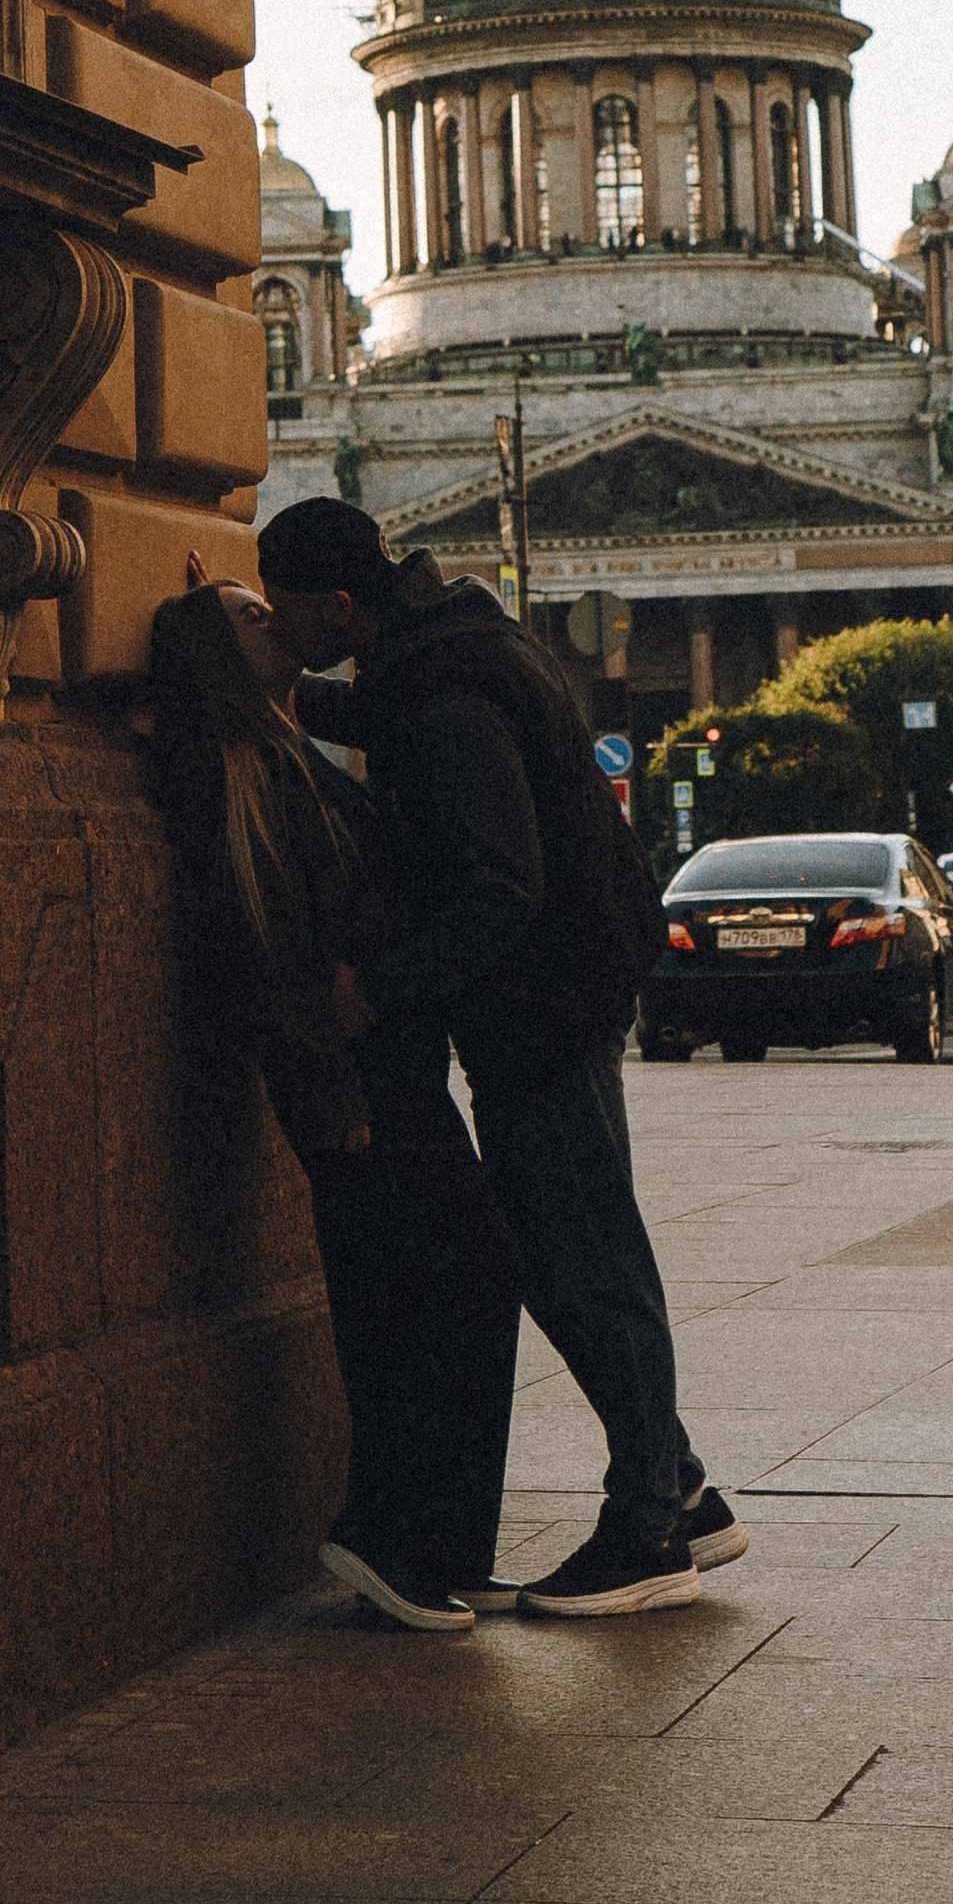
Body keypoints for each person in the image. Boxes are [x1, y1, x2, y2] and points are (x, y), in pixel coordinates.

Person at [258, 496, 744, 1618]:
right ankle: (682, 1488)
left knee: (583, 1257)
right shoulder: (446, 642)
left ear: (337, 603)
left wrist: (373, 987)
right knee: (562, 1244)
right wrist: (283, 691)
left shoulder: (441, 689)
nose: (281, 632)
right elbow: (396, 711)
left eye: (284, 614)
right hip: (564, 982)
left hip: (545, 997)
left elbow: (497, 886)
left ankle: (647, 1533)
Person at [144, 576, 523, 1633]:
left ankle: (439, 1541)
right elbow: (259, 943)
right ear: (215, 655)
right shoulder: (225, 767)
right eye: (248, 615)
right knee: (419, 1295)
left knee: (454, 1284)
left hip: (392, 1063)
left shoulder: (279, 745)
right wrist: (322, 1088)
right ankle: (385, 1534)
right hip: (353, 1079)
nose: (275, 615)